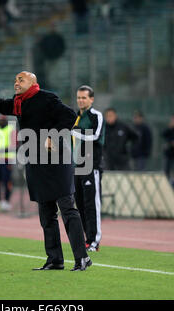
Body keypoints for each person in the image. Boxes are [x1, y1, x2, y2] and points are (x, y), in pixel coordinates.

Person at [0, 71, 92, 271]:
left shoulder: (47, 98)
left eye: (20, 79)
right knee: (45, 212)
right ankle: (55, 259)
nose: (16, 82)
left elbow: (70, 116)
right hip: (35, 160)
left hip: (58, 160)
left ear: (33, 82)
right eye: (15, 79)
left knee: (67, 208)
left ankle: (82, 257)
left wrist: (52, 136)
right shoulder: (19, 101)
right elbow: (3, 104)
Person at [71, 85, 105, 252]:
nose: (80, 100)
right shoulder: (76, 116)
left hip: (92, 165)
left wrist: (76, 132)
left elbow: (96, 136)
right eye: (78, 97)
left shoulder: (95, 115)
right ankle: (87, 238)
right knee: (81, 204)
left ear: (91, 99)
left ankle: (94, 240)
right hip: (77, 165)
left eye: (84, 98)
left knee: (92, 204)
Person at [0, 115, 17, 211]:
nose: (0, 122)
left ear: (6, 121)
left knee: (6, 181)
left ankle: (6, 200)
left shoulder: (11, 130)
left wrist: (2, 150)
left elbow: (14, 145)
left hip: (7, 159)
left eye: (2, 120)